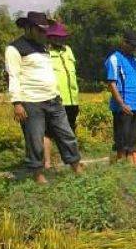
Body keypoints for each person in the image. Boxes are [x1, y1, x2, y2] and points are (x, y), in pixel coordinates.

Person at [4, 12, 82, 183]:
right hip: (31, 101)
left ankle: (76, 167)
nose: (43, 34)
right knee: (35, 140)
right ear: (29, 28)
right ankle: (38, 175)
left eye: (45, 31)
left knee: (66, 134)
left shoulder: (44, 47)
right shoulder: (15, 48)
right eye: (40, 30)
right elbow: (14, 76)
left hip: (53, 99)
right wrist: (17, 103)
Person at [43, 22, 80, 169]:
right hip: (55, 99)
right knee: (48, 132)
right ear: (50, 37)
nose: (60, 40)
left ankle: (71, 163)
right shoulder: (45, 53)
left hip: (72, 99)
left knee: (70, 131)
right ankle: (47, 163)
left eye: (62, 37)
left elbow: (72, 73)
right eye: (57, 37)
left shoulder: (68, 50)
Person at [105, 31, 136, 162]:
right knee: (122, 137)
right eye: (132, 45)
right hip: (123, 106)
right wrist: (121, 104)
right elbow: (111, 83)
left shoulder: (134, 60)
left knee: (133, 137)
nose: (134, 48)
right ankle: (120, 160)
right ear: (124, 42)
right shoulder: (115, 59)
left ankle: (130, 159)